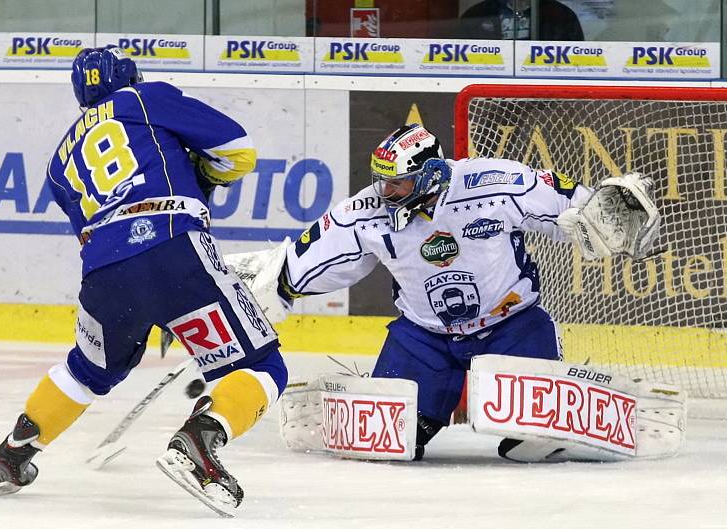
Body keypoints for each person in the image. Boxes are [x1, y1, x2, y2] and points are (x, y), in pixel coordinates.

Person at [0, 46, 286, 515]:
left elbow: (88, 230)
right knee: (262, 366)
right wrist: (199, 175)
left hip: (104, 272)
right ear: (131, 75)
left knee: (87, 370)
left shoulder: (59, 161)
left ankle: (13, 453)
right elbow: (237, 152)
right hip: (173, 248)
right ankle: (199, 442)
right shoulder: (143, 99)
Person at [275, 123, 657, 460]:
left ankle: (580, 413)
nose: (385, 191)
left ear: (430, 174)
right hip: (423, 339)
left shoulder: (496, 182)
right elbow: (302, 265)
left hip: (513, 328)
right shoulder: (366, 210)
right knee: (389, 440)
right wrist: (269, 285)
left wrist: (607, 218)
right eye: (381, 180)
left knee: (532, 442)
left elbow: (576, 208)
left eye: (397, 182)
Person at [457, 0, 584, 40]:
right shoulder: (477, 14)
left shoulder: (562, 15)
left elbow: (577, 61)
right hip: (486, 96)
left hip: (545, 95)